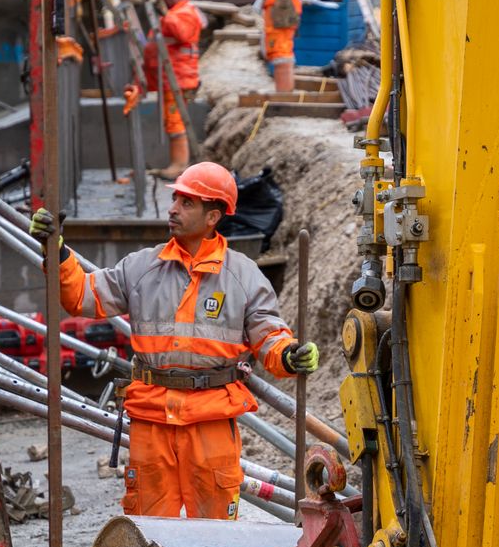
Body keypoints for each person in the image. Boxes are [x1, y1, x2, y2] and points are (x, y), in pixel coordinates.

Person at [31, 162, 320, 520]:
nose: (172, 209)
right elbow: (83, 296)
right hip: (152, 419)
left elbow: (269, 335)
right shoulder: (142, 267)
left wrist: (288, 355)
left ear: (213, 216)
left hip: (210, 420)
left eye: (186, 203)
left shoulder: (243, 276)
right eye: (175, 199)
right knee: (149, 530)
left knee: (216, 531)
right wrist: (57, 252)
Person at [145, 0, 204, 178]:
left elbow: (181, 33)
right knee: (173, 120)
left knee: (175, 120)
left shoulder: (185, 12)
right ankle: (177, 163)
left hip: (179, 77)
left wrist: (165, 14)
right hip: (172, 76)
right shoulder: (175, 12)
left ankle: (179, 166)